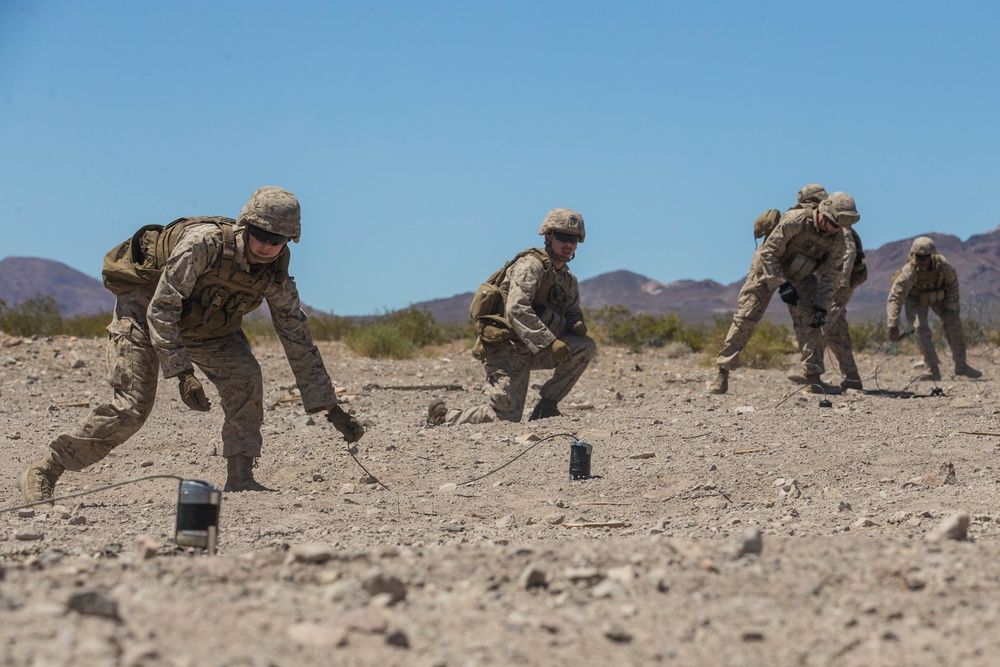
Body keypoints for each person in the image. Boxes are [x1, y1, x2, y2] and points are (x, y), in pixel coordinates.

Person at [19, 186, 365, 508]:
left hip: (207, 328)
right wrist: (182, 372)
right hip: (144, 315)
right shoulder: (205, 244)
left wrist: (329, 407)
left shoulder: (274, 272)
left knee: (245, 377)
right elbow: (162, 307)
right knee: (132, 407)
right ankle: (48, 467)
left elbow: (297, 336)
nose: (267, 246)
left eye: (278, 240)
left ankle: (241, 477)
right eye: (261, 235)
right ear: (246, 226)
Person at [427, 208, 596, 425]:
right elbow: (517, 308)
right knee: (503, 419)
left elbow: (572, 311)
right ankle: (443, 417)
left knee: (584, 345)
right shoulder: (531, 265)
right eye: (562, 237)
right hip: (507, 348)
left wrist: (575, 322)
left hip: (535, 349)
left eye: (573, 239)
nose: (568, 244)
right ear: (548, 237)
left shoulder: (567, 280)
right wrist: (550, 342)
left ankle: (547, 406)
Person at [708, 191, 861, 394]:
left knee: (812, 320)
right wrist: (781, 284)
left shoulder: (837, 239)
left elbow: (831, 276)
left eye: (840, 226)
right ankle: (722, 373)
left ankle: (813, 378)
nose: (835, 230)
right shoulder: (795, 220)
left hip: (801, 275)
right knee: (746, 317)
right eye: (834, 224)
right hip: (766, 269)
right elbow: (768, 253)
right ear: (824, 212)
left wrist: (822, 306)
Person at [784, 185, 868, 391]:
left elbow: (845, 262)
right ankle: (853, 378)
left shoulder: (839, 228)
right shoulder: (827, 224)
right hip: (834, 286)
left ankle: (812, 375)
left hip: (838, 286)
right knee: (837, 329)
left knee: (819, 324)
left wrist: (835, 292)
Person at [886, 236, 982, 380]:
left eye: (926, 257)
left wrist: (951, 306)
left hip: (939, 296)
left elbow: (952, 283)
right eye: (919, 257)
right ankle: (933, 370)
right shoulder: (909, 271)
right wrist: (893, 323)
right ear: (913, 256)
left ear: (932, 255)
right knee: (920, 330)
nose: (923, 261)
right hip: (916, 300)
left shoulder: (942, 265)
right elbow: (896, 296)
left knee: (954, 324)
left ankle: (961, 366)